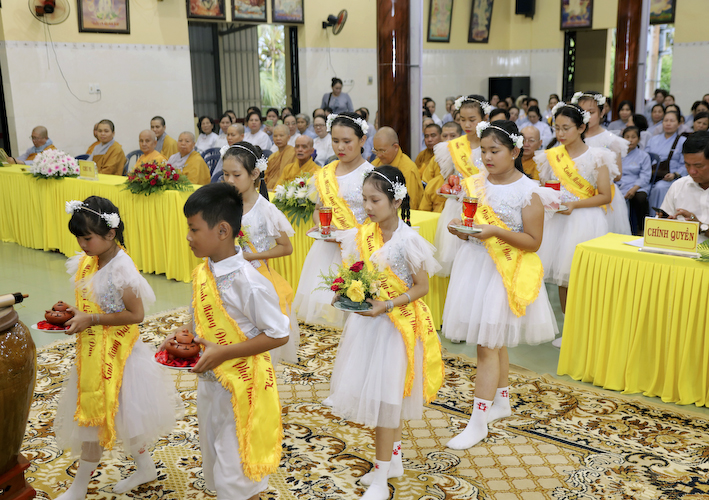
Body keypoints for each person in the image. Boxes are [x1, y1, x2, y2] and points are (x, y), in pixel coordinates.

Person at [328, 166, 444, 499]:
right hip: (368, 327)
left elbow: (421, 287)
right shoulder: (364, 235)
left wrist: (389, 304)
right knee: (383, 397)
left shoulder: (409, 241)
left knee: (386, 402)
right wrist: (343, 290)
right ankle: (393, 462)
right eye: (364, 199)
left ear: (396, 201)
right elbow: (355, 273)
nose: (367, 206)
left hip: (396, 330)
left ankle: (380, 479)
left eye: (375, 200)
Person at [54, 196, 181, 499]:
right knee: (125, 417)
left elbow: (136, 315)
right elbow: (95, 302)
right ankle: (146, 467)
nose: (82, 244)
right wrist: (78, 313)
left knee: (100, 419)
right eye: (78, 238)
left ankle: (78, 488)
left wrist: (92, 318)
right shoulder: (92, 259)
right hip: (94, 351)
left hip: (120, 357)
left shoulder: (122, 270)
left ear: (110, 234)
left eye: (87, 238)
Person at [442, 121, 558, 449]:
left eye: (495, 150)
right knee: (493, 341)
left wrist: (494, 232)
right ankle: (501, 401)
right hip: (474, 266)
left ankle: (477, 423)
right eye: (483, 150)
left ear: (515, 151)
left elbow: (533, 241)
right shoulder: (476, 184)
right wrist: (459, 228)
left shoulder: (529, 191)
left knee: (486, 346)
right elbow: (469, 225)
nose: (488, 157)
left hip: (503, 272)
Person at [171, 183, 288, 499]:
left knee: (236, 477)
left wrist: (225, 352)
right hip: (212, 386)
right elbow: (199, 314)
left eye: (194, 229)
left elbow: (279, 332)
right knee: (220, 462)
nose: (188, 236)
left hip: (244, 388)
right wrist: (183, 333)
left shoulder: (249, 283)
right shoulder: (204, 270)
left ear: (222, 230)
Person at [220, 143, 299, 364]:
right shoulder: (224, 204)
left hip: (256, 279)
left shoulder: (265, 210)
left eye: (236, 175)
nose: (230, 180)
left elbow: (286, 247)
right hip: (227, 277)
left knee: (255, 338)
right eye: (225, 174)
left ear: (254, 174)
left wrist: (250, 257)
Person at [536, 102, 614, 323]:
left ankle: (586, 324)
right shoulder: (551, 156)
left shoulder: (597, 156)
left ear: (581, 128)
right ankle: (568, 326)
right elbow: (544, 188)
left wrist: (574, 205)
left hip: (586, 220)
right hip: (558, 220)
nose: (560, 134)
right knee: (563, 276)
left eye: (566, 128)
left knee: (584, 276)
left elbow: (605, 196)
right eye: (557, 128)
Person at [293, 112, 373, 328]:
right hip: (327, 249)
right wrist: (322, 226)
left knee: (357, 310)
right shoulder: (326, 173)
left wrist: (348, 235)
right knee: (328, 311)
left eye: (347, 141)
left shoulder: (370, 174)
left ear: (362, 140)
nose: (340, 147)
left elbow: (376, 219)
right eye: (336, 141)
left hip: (359, 250)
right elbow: (318, 209)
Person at [432, 94, 490, 276]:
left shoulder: (490, 145)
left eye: (472, 119)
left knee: (480, 263)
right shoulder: (453, 147)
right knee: (457, 261)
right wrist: (445, 188)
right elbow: (450, 178)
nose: (467, 124)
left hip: (483, 207)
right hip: (456, 207)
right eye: (462, 119)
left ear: (484, 118)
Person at [573, 91, 632, 234]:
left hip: (603, 194)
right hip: (577, 192)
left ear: (602, 112)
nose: (586, 116)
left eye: (591, 112)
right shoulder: (573, 137)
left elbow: (618, 175)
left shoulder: (611, 141)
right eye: (582, 112)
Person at [660, 131, 709, 243]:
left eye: (698, 166)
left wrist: (700, 227)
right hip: (679, 250)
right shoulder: (678, 186)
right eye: (687, 165)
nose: (691, 171)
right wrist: (665, 223)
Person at [371, 127, 423, 209]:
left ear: (395, 147)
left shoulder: (408, 169)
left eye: (382, 151)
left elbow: (410, 205)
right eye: (376, 150)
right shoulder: (375, 165)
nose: (378, 155)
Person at [647, 110, 687, 214]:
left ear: (679, 124)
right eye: (665, 120)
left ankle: (657, 217)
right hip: (651, 176)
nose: (668, 123)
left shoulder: (682, 141)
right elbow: (645, 159)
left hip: (670, 178)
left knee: (659, 187)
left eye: (672, 121)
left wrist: (675, 174)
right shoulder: (653, 140)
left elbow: (686, 164)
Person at [419, 122, 463, 213]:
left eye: (453, 136)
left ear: (460, 137)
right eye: (445, 136)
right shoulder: (436, 159)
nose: (448, 139)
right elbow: (426, 181)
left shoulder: (466, 158)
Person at [620, 126, 652, 234]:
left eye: (633, 137)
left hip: (637, 185)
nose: (630, 140)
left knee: (640, 198)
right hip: (620, 184)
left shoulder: (644, 156)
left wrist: (634, 189)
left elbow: (645, 176)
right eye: (627, 137)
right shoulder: (617, 154)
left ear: (638, 139)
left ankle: (641, 228)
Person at [264, 124, 295, 190]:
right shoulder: (272, 157)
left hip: (284, 189)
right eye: (275, 136)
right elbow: (266, 176)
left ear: (288, 137)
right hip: (269, 188)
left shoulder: (293, 153)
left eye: (281, 135)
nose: (278, 138)